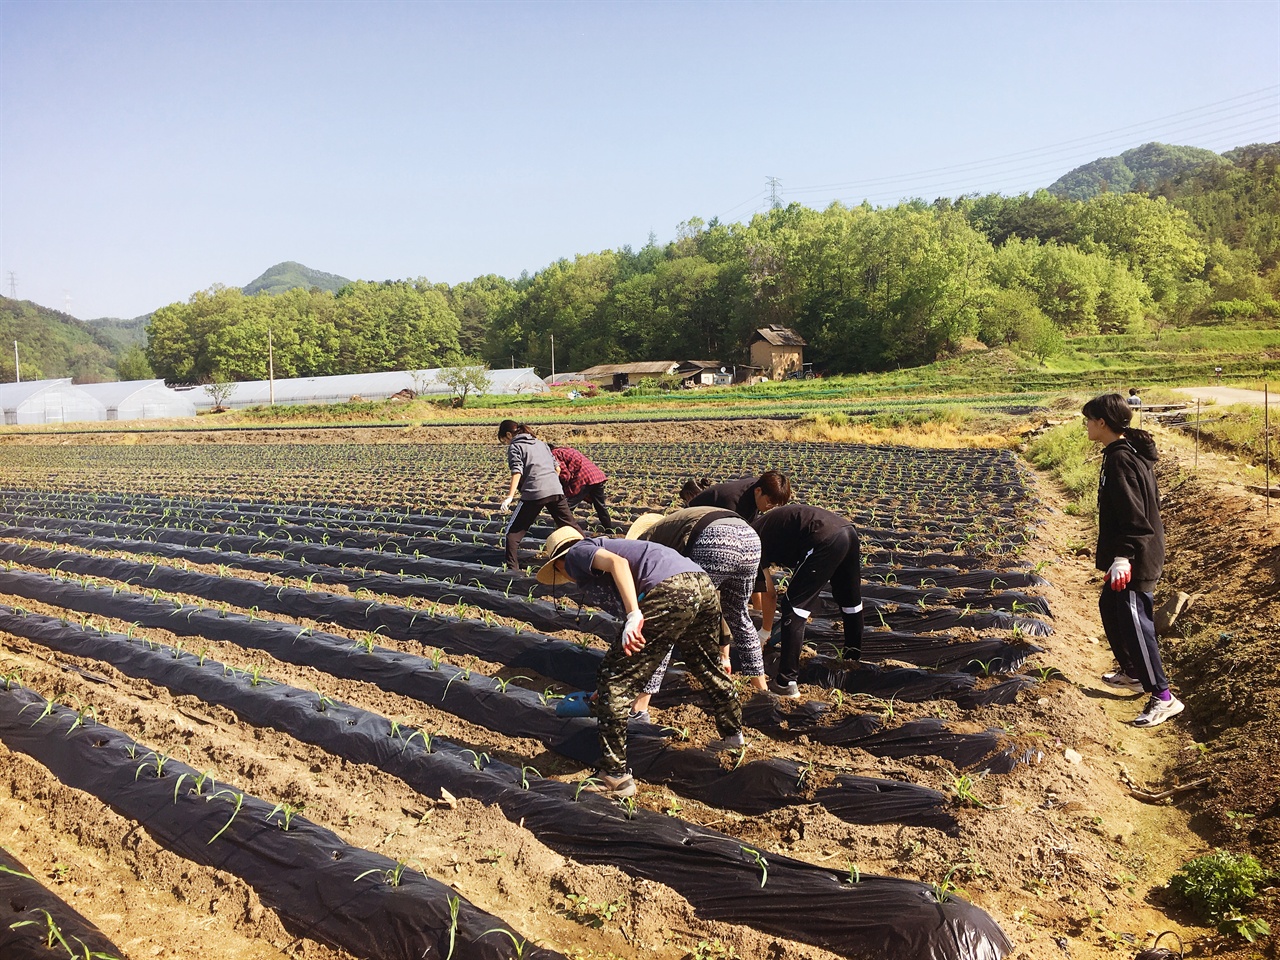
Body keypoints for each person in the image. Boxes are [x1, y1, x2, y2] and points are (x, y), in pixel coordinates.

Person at [537, 527, 744, 798]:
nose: (567, 578)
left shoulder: (577, 552)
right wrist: (723, 649)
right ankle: (734, 739)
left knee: (614, 680)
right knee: (706, 666)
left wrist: (634, 616)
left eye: (560, 573)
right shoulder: (629, 549)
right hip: (702, 586)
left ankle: (614, 777)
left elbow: (617, 564)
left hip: (671, 590)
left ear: (559, 562)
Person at [1084, 393, 1183, 727]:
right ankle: (1135, 674)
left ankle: (1163, 696)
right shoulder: (1122, 454)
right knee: (1110, 607)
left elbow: (1135, 517)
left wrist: (1124, 557)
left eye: (1089, 419)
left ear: (1102, 423)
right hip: (1129, 552)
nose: (1086, 425)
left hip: (1136, 556)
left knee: (1136, 623)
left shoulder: (1122, 460)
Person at [626, 508, 768, 713]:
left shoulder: (646, 547)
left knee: (670, 620)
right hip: (750, 538)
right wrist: (723, 653)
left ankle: (639, 708)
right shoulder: (676, 527)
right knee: (739, 614)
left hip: (716, 541)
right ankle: (762, 691)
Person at [752, 503, 864, 700]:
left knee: (794, 607)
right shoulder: (762, 527)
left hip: (822, 537)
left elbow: (769, 594)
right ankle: (851, 660)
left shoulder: (751, 541)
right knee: (850, 602)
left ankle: (786, 682)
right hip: (848, 531)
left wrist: (764, 632)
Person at [496, 420, 583, 573]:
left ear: (509, 434)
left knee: (512, 534)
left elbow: (517, 471)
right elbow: (557, 468)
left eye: (505, 440)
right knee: (570, 526)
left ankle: (512, 571)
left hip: (535, 492)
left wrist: (509, 496)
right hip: (555, 490)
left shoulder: (515, 446)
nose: (506, 443)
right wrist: (550, 482)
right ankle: (592, 552)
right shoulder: (540, 443)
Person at [549, 443, 616, 533]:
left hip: (583, 479)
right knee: (600, 506)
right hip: (596, 476)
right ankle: (609, 530)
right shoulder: (565, 450)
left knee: (566, 507)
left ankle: (561, 531)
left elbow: (564, 475)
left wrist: (560, 486)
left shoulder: (553, 454)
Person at [688, 471, 792, 523]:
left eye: (775, 505)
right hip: (692, 522)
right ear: (758, 491)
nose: (771, 507)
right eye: (769, 502)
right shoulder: (732, 502)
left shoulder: (756, 489)